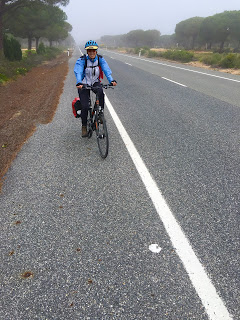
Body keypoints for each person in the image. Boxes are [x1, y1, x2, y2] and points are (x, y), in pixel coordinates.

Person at [74, 40, 117, 137]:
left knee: (101, 92)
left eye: (93, 51)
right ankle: (84, 126)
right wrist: (79, 82)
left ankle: (100, 112)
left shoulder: (100, 59)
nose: (92, 52)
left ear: (96, 51)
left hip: (94, 82)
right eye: (89, 51)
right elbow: (78, 71)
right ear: (87, 52)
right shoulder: (82, 60)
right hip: (83, 83)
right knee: (85, 106)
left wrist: (111, 80)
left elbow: (106, 70)